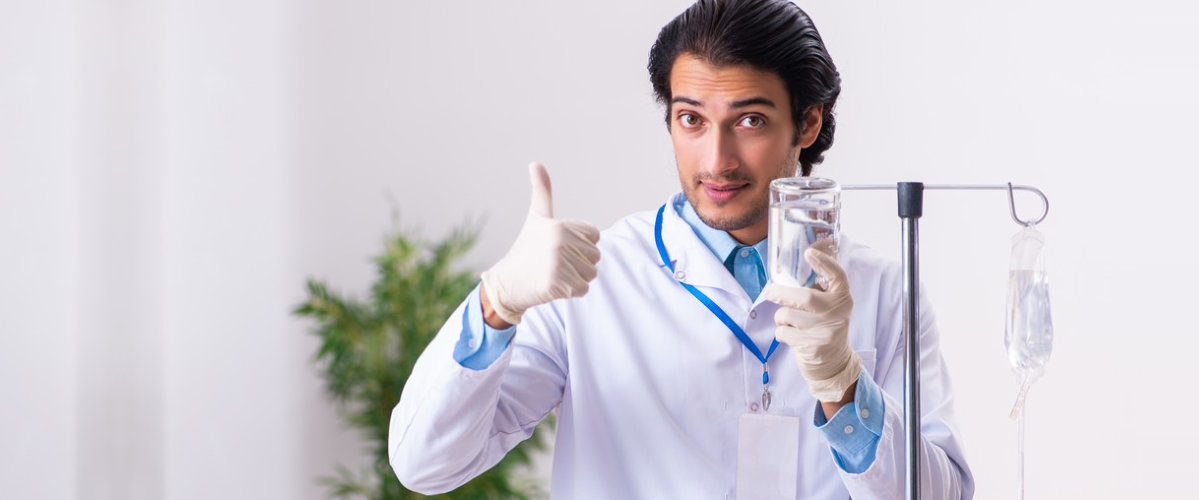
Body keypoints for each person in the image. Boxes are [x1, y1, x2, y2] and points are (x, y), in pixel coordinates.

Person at [388, 0, 973, 498]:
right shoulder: (594, 279)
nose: (716, 161)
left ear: (809, 122)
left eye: (749, 120)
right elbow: (426, 465)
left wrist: (844, 387)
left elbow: (942, 492)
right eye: (691, 119)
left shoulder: (883, 289)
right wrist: (495, 305)